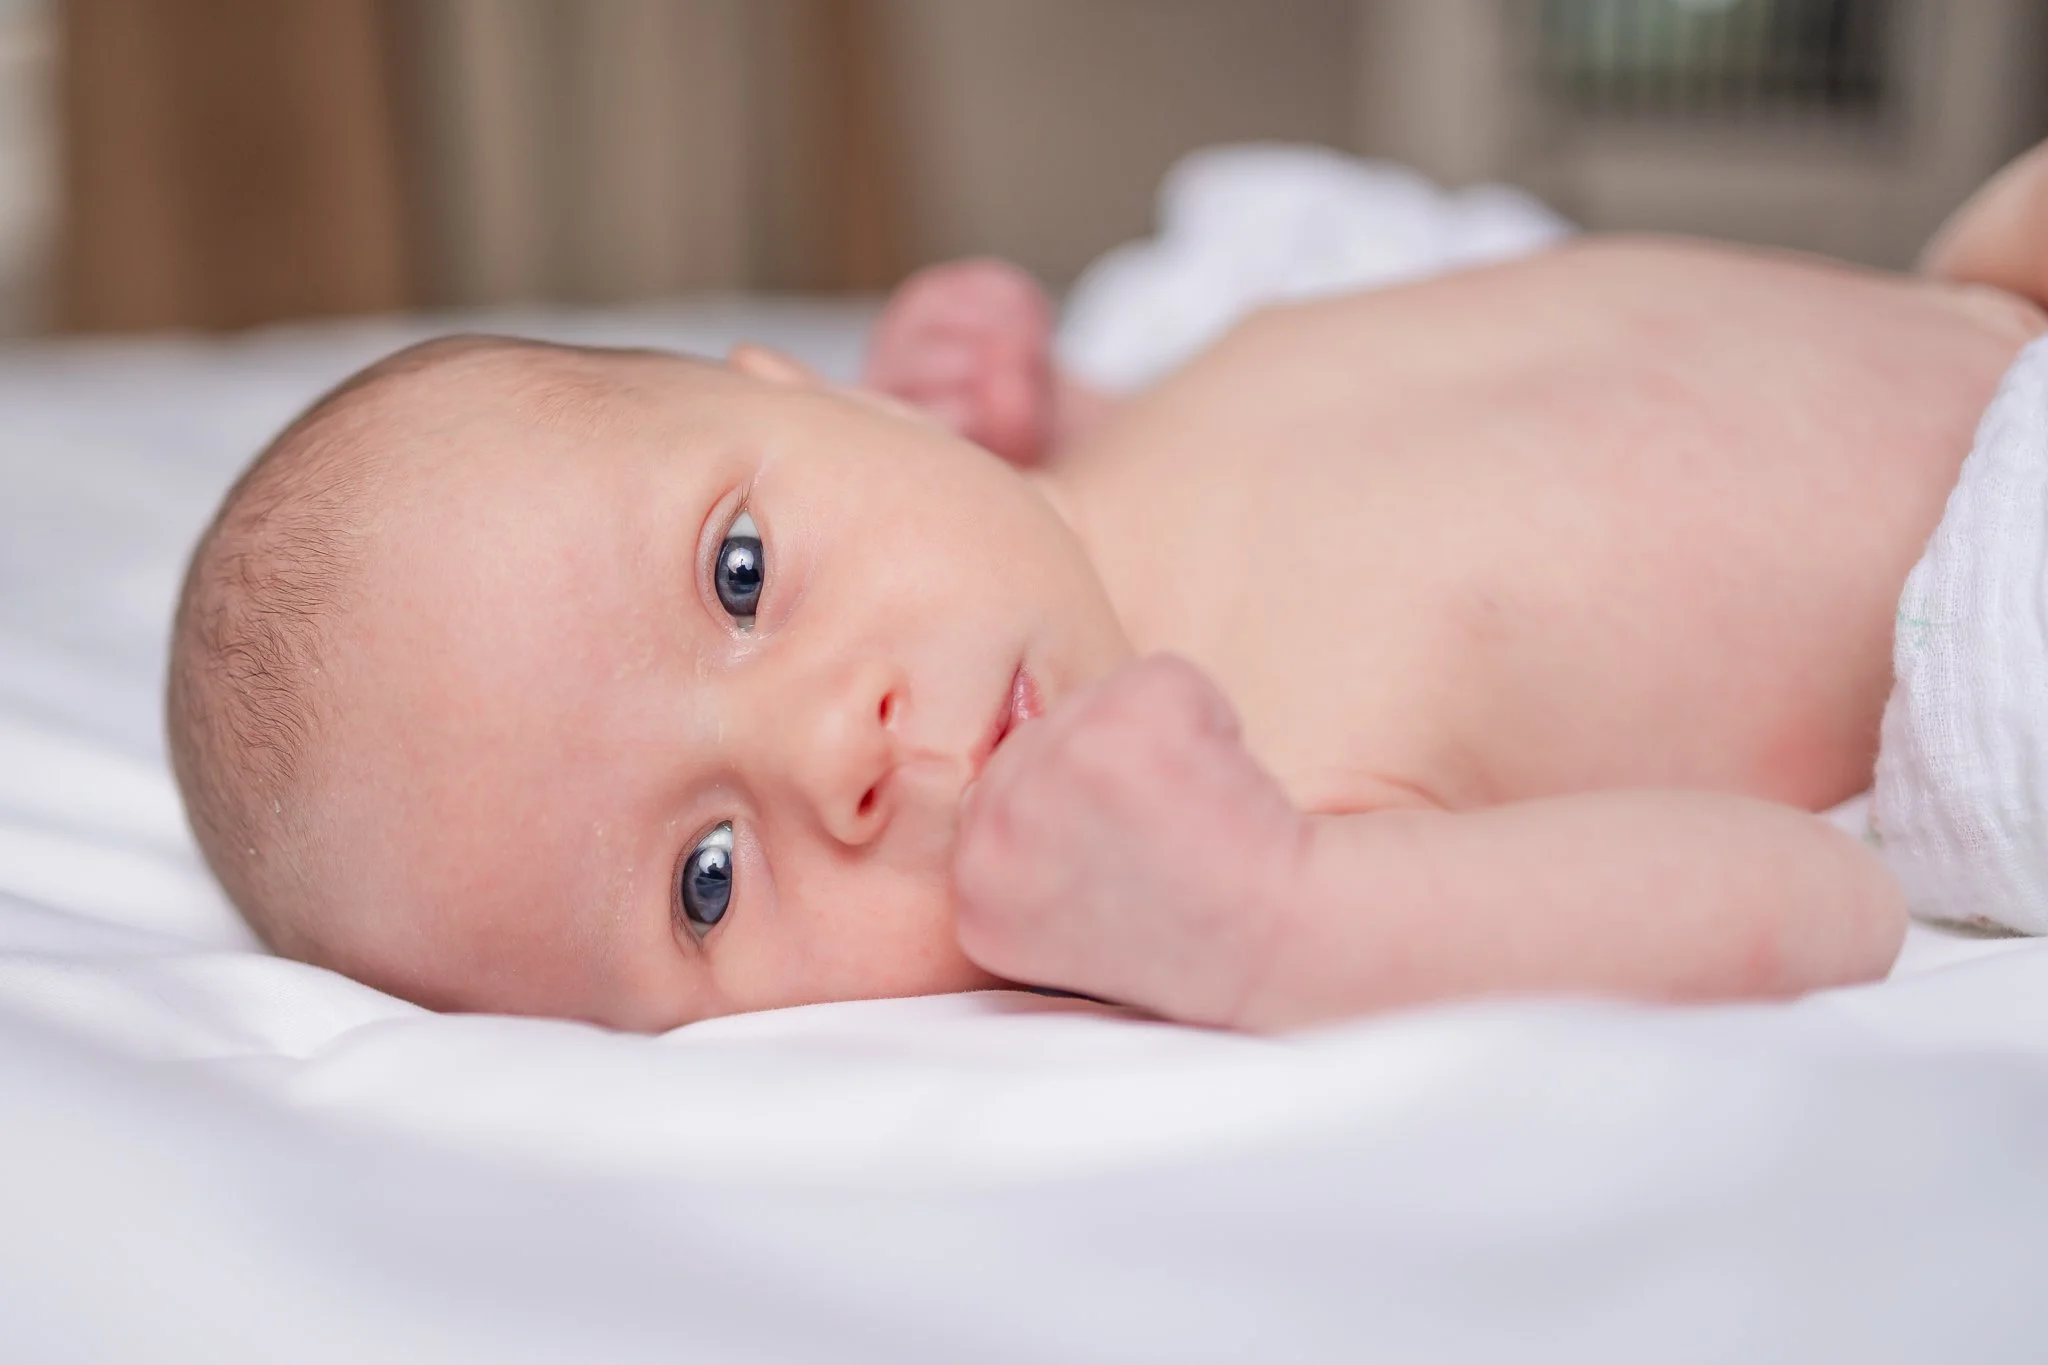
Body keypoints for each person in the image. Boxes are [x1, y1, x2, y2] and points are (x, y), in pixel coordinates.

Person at [166, 142, 2048, 1033]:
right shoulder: (1256, 799)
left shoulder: (1093, 443)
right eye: (707, 877)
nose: (842, 749)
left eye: (742, 571)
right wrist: (1281, 918)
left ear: (802, 394)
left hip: (1964, 281)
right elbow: (1804, 904)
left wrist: (1059, 401)